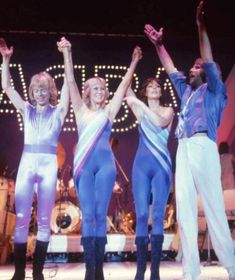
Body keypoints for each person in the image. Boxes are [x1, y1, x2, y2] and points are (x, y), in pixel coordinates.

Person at [144, 1, 235, 279]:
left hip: (202, 145)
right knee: (183, 209)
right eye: (194, 66)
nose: (193, 68)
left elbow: (206, 55)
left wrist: (200, 25)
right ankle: (191, 271)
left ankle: (231, 267)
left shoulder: (214, 90)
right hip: (183, 147)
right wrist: (159, 45)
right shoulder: (186, 91)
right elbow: (170, 67)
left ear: (208, 72)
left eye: (198, 67)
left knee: (214, 209)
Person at [61, 37, 142, 280]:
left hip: (106, 167)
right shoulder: (79, 109)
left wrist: (134, 62)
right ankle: (90, 270)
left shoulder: (109, 111)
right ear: (88, 92)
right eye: (95, 88)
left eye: (102, 89)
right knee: (89, 214)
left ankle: (99, 268)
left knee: (100, 213)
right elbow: (70, 79)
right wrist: (67, 52)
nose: (100, 91)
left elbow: (124, 84)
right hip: (84, 166)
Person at [0, 37, 69, 280]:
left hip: (48, 166)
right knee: (20, 218)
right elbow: (7, 88)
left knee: (43, 221)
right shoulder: (26, 110)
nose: (40, 93)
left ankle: (37, 272)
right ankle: (19, 272)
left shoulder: (58, 112)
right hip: (27, 164)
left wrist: (66, 55)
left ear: (51, 91)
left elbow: (69, 85)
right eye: (36, 89)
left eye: (45, 89)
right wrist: (6, 60)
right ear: (32, 91)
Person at [125, 76, 174, 279]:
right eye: (150, 86)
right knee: (143, 215)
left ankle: (154, 270)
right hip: (141, 167)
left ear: (161, 92)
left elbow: (160, 122)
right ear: (144, 91)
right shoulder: (138, 109)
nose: (154, 88)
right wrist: (134, 63)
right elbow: (126, 90)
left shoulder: (168, 110)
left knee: (158, 217)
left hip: (161, 166)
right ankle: (140, 269)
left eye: (157, 86)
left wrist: (141, 105)